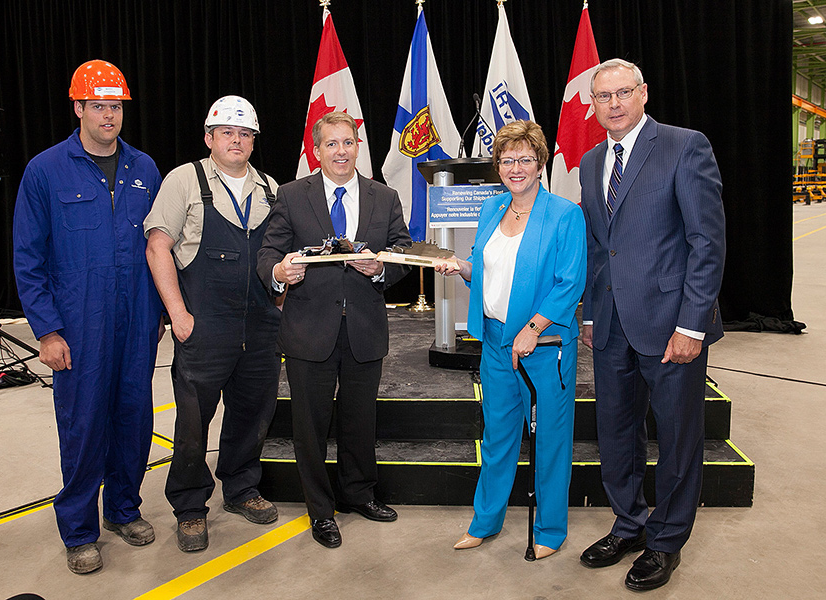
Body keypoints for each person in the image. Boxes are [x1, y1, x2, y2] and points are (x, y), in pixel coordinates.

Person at [578, 58, 726, 591]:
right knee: (617, 434)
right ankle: (629, 523)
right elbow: (599, 248)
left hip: (670, 327)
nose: (613, 104)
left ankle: (666, 541)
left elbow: (706, 243)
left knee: (679, 437)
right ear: (593, 106)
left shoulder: (685, 146)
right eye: (603, 97)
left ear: (644, 93)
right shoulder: (590, 161)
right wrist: (591, 315)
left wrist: (692, 324)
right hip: (611, 326)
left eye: (623, 93)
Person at [12, 60, 163, 574]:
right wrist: (47, 330)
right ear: (78, 107)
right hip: (79, 326)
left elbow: (159, 248)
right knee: (82, 426)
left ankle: (123, 509)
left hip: (137, 322)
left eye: (115, 106)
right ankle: (79, 530)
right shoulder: (45, 170)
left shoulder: (145, 169)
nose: (108, 115)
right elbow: (28, 258)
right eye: (98, 105)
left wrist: (161, 313)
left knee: (134, 420)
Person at [256, 111, 412, 549]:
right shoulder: (290, 196)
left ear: (357, 146)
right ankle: (320, 511)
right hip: (309, 329)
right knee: (310, 425)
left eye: (348, 142)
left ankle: (359, 493)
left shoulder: (384, 196)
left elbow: (401, 248)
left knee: (361, 419)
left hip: (364, 327)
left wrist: (381, 268)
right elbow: (269, 253)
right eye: (332, 144)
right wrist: (281, 272)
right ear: (317, 150)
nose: (341, 151)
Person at [435, 120, 586, 559]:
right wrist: (460, 268)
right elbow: (488, 271)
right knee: (498, 434)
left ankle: (550, 531)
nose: (515, 167)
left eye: (524, 159)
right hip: (496, 341)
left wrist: (533, 329)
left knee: (551, 439)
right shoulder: (492, 209)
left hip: (545, 346)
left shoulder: (564, 214)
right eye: (506, 159)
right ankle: (486, 522)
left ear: (540, 163)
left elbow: (569, 283)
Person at [144, 96, 282, 553]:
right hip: (204, 325)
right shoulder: (184, 180)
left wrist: (281, 305)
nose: (237, 140)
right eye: (227, 132)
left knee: (252, 413)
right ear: (209, 138)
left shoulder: (269, 188)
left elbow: (280, 257)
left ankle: (241, 489)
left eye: (245, 134)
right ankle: (188, 506)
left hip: (261, 326)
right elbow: (157, 248)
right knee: (192, 422)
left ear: (253, 140)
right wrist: (179, 315)